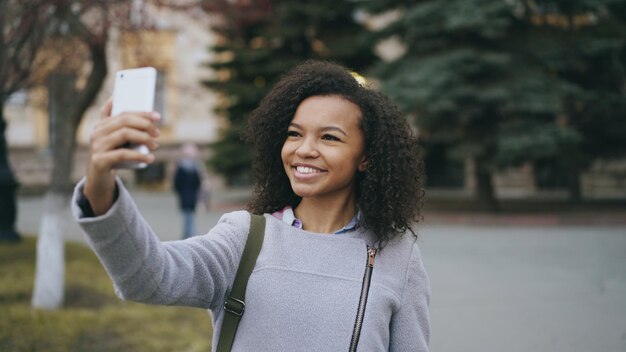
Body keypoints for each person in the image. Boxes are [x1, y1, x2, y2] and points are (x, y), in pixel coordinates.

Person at [72, 60, 430, 351]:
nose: (304, 149)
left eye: (329, 137)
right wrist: (100, 184)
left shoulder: (397, 256)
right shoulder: (245, 237)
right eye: (294, 133)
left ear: (366, 157)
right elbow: (147, 278)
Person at [173, 143, 203, 238]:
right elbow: (198, 182)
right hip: (191, 196)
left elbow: (176, 184)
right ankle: (190, 234)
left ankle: (188, 235)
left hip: (185, 196)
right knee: (189, 217)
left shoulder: (182, 168)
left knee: (187, 217)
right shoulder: (195, 168)